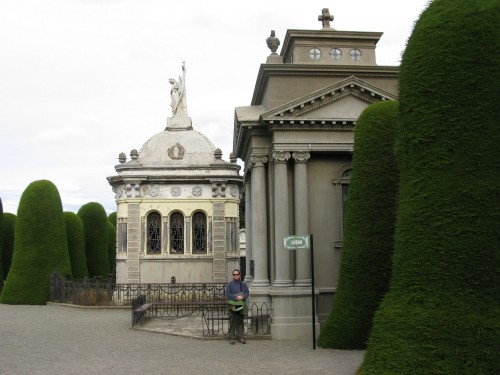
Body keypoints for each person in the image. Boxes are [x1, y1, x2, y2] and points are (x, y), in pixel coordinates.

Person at [225, 269, 249, 344]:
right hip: (232, 305)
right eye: (234, 274)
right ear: (233, 275)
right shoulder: (229, 284)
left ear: (239, 275)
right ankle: (232, 337)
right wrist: (235, 297)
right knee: (232, 321)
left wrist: (243, 297)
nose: (236, 276)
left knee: (240, 321)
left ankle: (241, 337)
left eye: (237, 274)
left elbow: (246, 293)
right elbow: (227, 294)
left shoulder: (243, 284)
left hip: (240, 305)